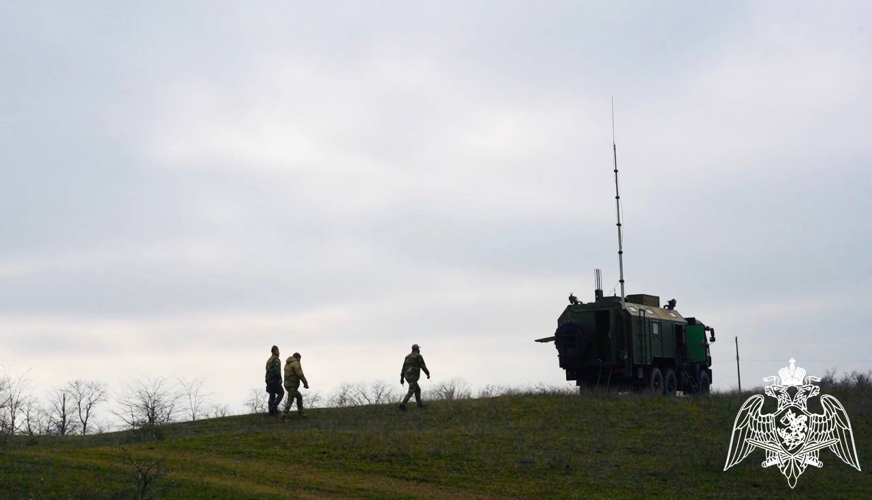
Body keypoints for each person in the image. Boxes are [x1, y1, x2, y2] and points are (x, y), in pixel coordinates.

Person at [399, 343, 430, 410]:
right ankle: (402, 405)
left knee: (417, 389)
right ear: (417, 349)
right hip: (413, 375)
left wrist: (402, 378)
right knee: (411, 390)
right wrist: (428, 373)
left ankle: (419, 404)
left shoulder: (407, 357)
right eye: (419, 349)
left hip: (407, 376)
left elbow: (403, 368)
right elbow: (422, 366)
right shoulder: (418, 356)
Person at [281, 352, 309, 419]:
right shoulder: (296, 364)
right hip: (292, 384)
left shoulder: (287, 364)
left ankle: (301, 412)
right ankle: (283, 415)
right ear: (298, 357)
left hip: (287, 384)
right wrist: (305, 383)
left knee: (298, 397)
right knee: (290, 399)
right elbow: (300, 374)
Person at [265, 345, 284, 416]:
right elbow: (277, 370)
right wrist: (280, 378)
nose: (279, 352)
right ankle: (273, 407)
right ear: (275, 351)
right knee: (281, 392)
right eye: (278, 350)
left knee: (272, 394)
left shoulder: (269, 360)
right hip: (274, 379)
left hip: (268, 379)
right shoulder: (276, 359)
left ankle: (271, 412)